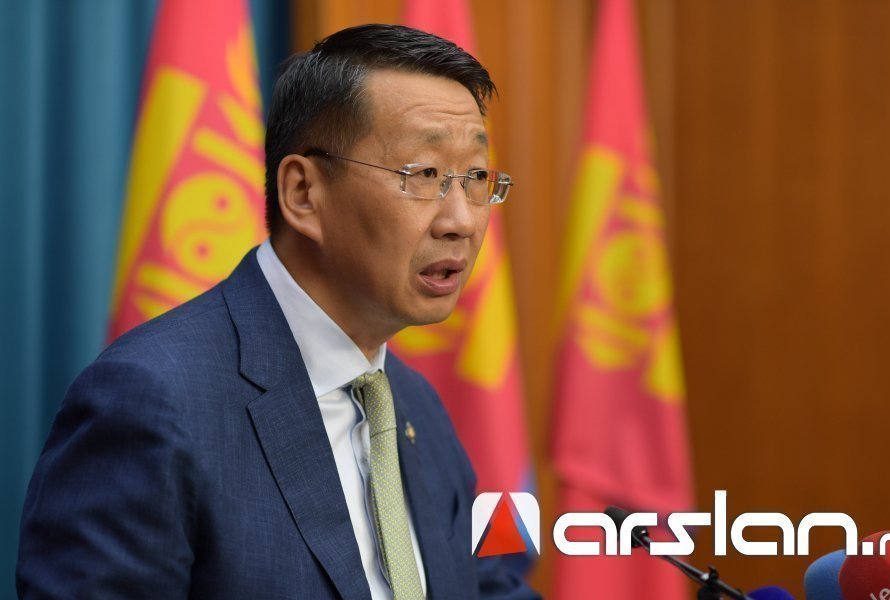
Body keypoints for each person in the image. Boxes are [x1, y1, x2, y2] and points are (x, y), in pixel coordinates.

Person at [17, 24, 538, 599]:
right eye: (425, 175)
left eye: (476, 178)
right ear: (303, 193)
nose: (461, 220)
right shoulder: (153, 401)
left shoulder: (415, 406)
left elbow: (485, 586)